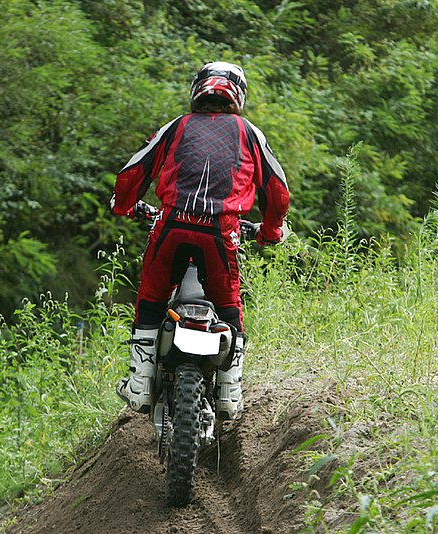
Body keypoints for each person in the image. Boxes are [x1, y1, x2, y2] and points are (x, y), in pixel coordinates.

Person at [111, 61, 289, 420]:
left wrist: (125, 205)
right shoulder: (249, 132)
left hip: (172, 223)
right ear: (238, 94)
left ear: (198, 90)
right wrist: (270, 232)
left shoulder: (176, 127)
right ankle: (229, 392)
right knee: (229, 306)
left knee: (151, 297)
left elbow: (135, 170)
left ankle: (141, 384)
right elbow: (277, 190)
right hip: (221, 231)